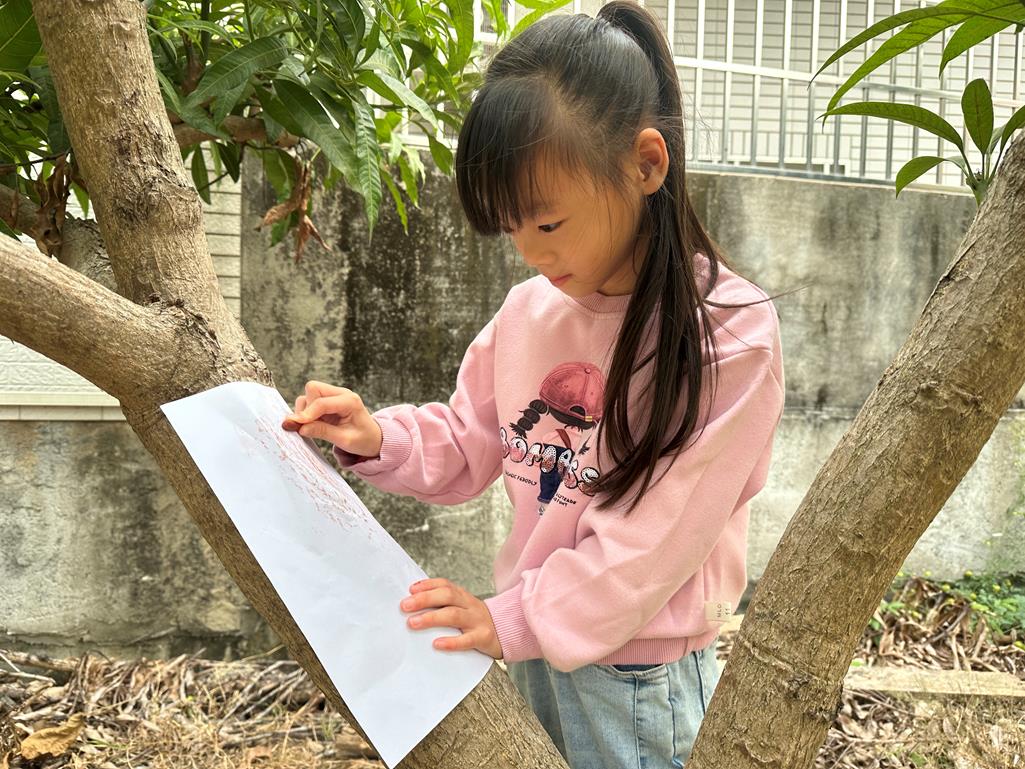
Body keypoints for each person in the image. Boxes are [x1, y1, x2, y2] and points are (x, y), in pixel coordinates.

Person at [282, 1, 786, 766]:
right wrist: (377, 435)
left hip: (638, 680)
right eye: (510, 227)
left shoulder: (727, 334)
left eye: (546, 224)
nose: (528, 253)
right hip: (537, 650)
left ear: (646, 164)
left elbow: (652, 546)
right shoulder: (528, 312)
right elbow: (470, 436)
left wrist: (509, 617)